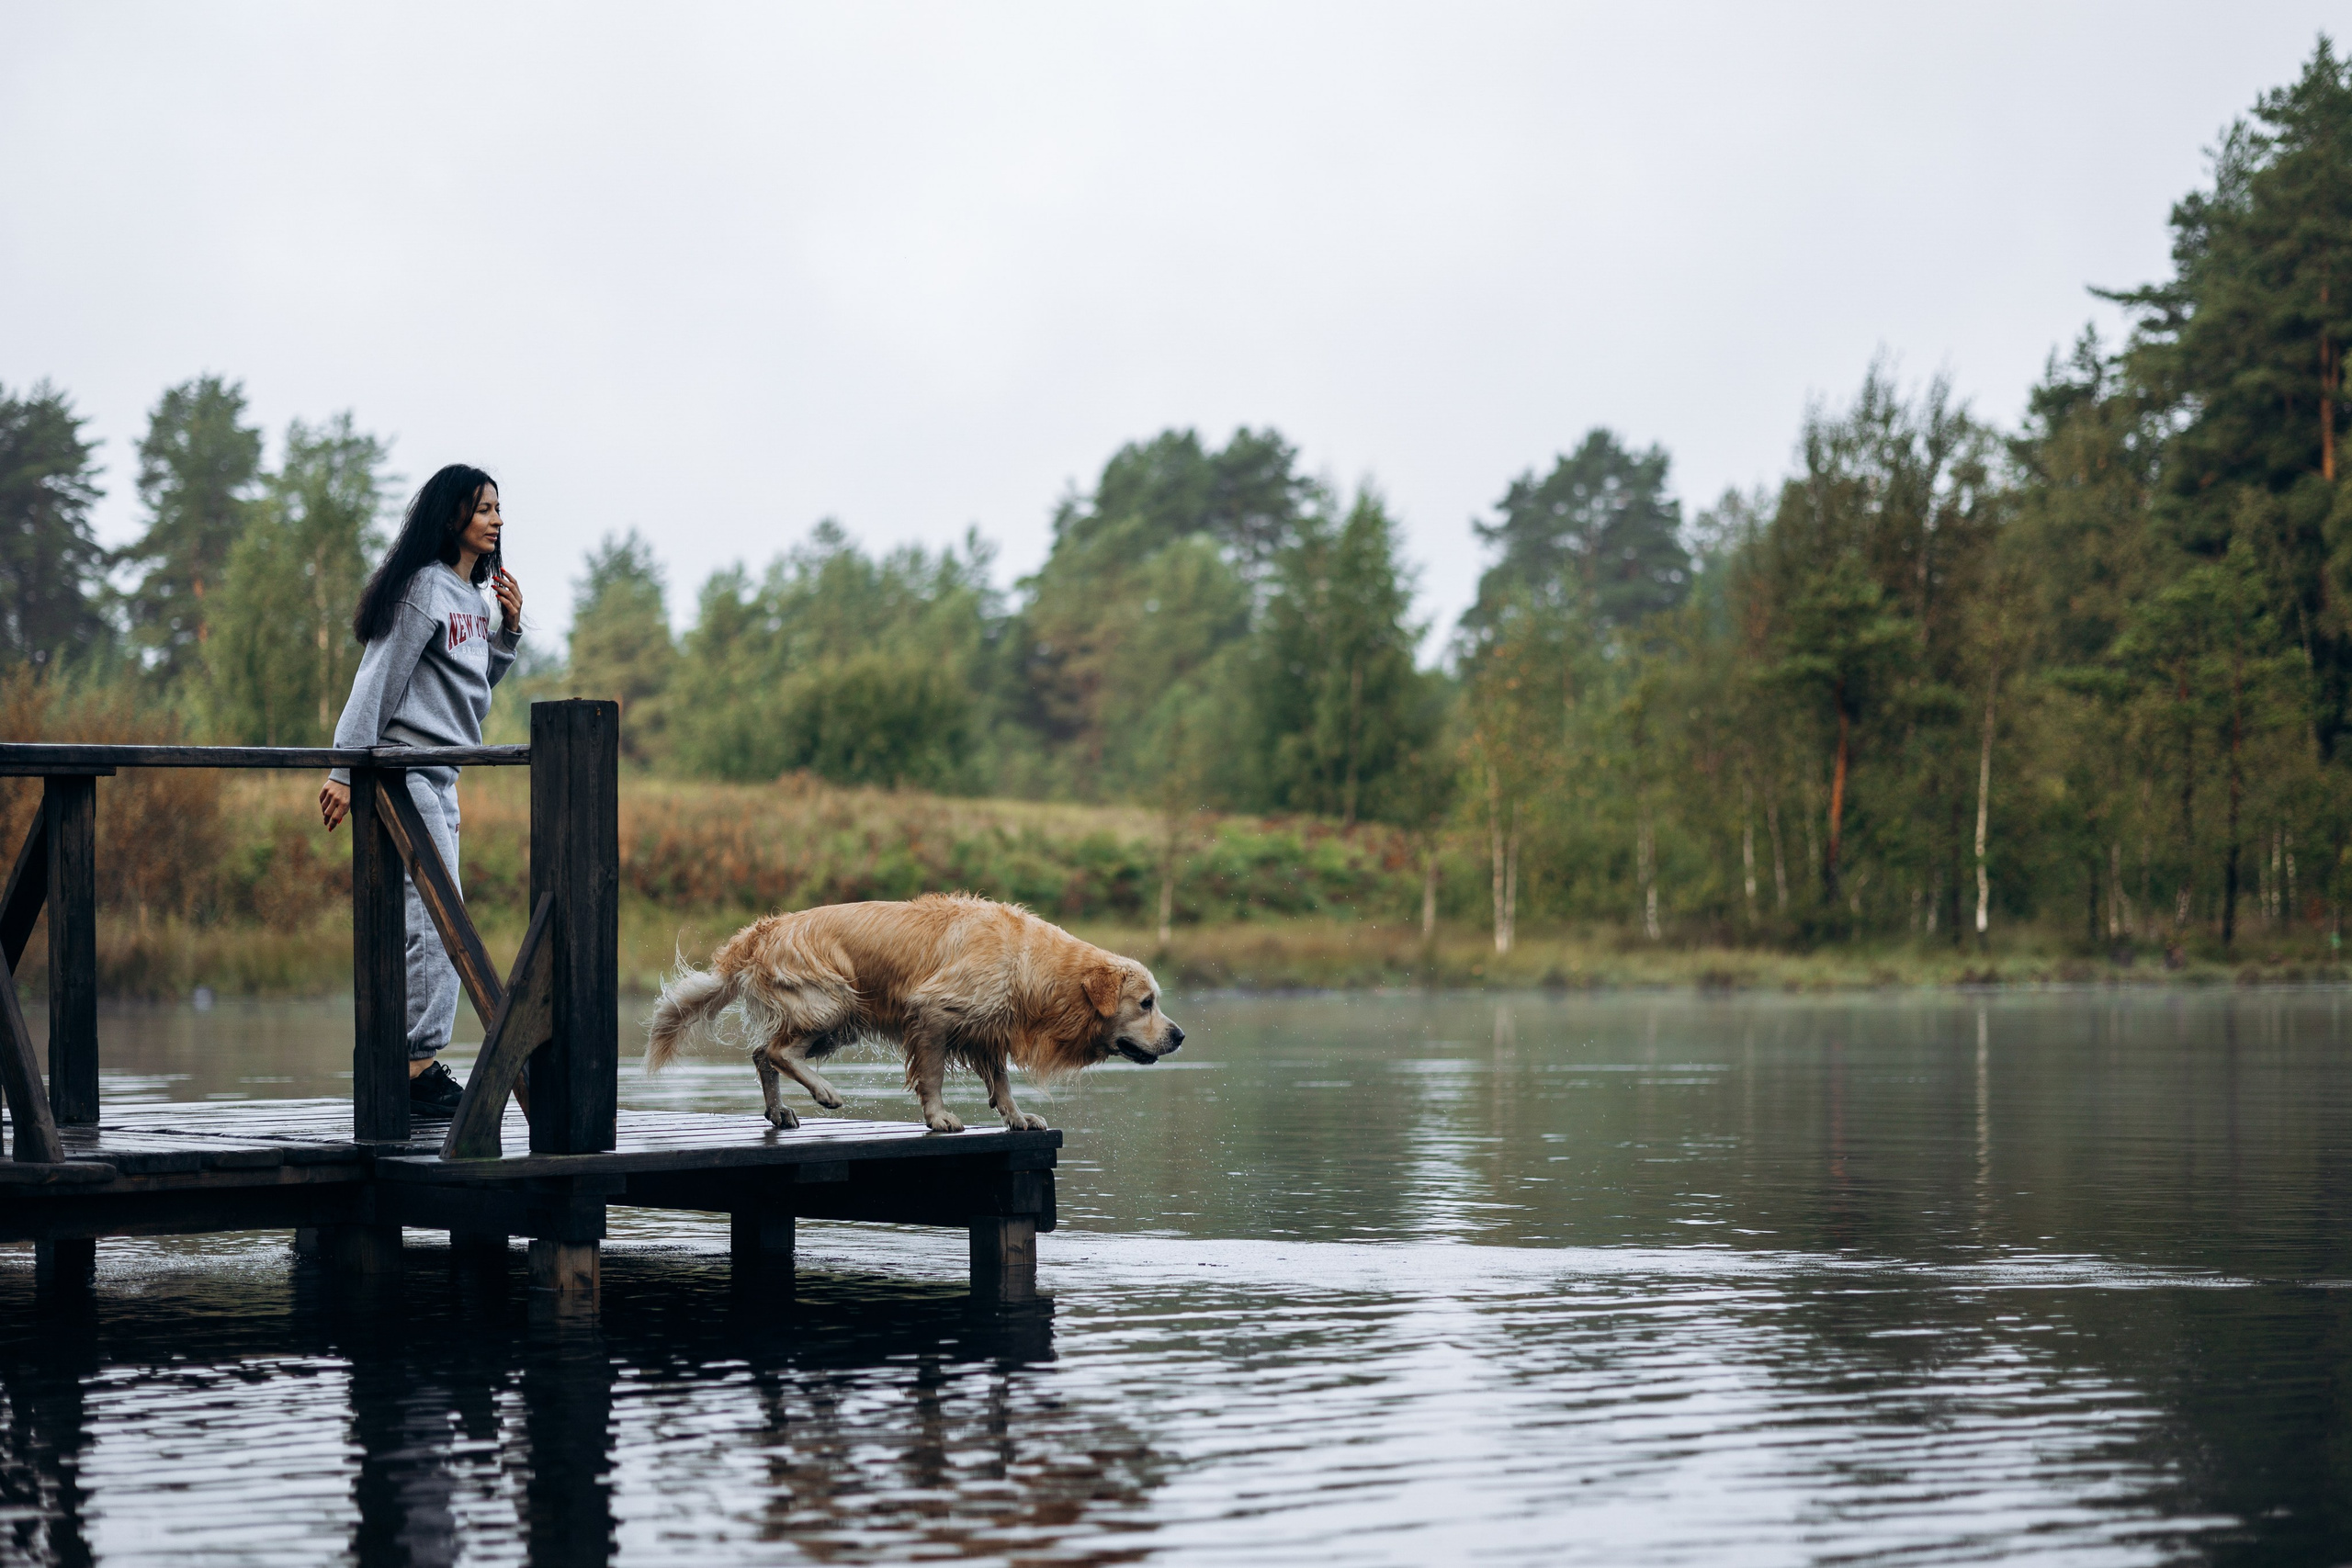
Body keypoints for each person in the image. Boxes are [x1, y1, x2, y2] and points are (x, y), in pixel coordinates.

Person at [319, 465, 525, 1122]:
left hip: (443, 773)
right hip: (404, 771)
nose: (496, 519)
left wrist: (508, 632)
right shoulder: (423, 589)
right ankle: (413, 1066)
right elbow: (376, 678)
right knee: (439, 922)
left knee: (435, 919)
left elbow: (472, 689)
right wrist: (344, 769)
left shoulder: (472, 599)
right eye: (483, 508)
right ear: (451, 515)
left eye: (498, 509)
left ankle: (411, 1062)